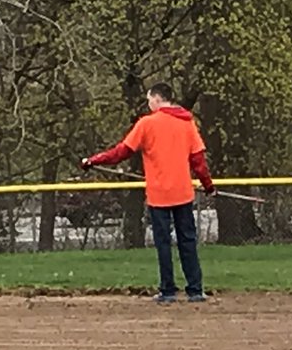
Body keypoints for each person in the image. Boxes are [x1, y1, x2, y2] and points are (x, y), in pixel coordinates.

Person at [82, 83, 216, 303]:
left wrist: (93, 160)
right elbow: (199, 162)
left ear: (157, 99)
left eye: (149, 100)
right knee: (188, 242)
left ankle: (168, 290)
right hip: (183, 193)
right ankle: (195, 289)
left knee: (163, 244)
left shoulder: (147, 124)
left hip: (159, 195)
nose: (148, 104)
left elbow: (121, 152)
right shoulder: (187, 122)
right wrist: (208, 187)